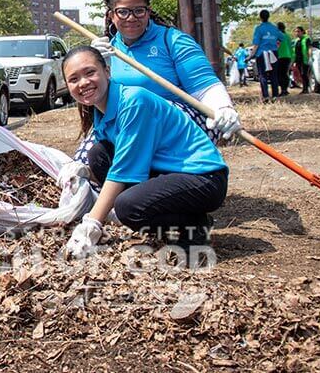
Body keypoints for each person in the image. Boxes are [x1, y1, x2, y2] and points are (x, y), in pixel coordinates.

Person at [60, 46, 228, 260]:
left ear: (107, 72)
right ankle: (183, 218)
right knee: (98, 155)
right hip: (167, 171)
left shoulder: (133, 102)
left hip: (203, 178)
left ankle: (192, 228)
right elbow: (115, 160)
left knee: (128, 207)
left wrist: (92, 224)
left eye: (90, 72)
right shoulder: (101, 110)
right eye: (74, 79)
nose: (83, 83)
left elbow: (122, 171)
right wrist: (85, 173)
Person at [81, 0, 240, 166]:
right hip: (129, 129)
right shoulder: (107, 51)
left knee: (140, 116)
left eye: (139, 10)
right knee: (85, 162)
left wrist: (223, 106)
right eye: (122, 12)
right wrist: (95, 66)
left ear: (148, 11)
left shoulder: (173, 41)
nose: (131, 18)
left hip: (182, 128)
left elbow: (205, 86)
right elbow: (105, 108)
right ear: (111, 15)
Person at [250, 10, 285, 102]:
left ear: (260, 17)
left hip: (262, 54)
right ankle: (275, 96)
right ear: (268, 16)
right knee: (274, 75)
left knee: (263, 75)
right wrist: (276, 44)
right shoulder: (274, 28)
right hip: (273, 53)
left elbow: (256, 44)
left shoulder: (259, 28)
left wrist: (251, 56)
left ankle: (265, 96)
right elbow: (282, 37)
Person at [293, 26, 312, 93]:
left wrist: (309, 57)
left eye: (298, 31)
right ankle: (304, 88)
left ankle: (306, 88)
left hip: (304, 59)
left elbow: (309, 48)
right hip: (298, 60)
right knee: (301, 74)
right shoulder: (297, 41)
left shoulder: (306, 39)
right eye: (296, 31)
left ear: (302, 32)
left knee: (304, 74)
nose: (297, 33)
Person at [276, 22, 293, 96]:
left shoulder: (278, 36)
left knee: (279, 74)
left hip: (280, 56)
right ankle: (285, 89)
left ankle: (283, 90)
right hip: (288, 56)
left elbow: (277, 46)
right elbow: (290, 47)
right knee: (285, 73)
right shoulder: (287, 36)